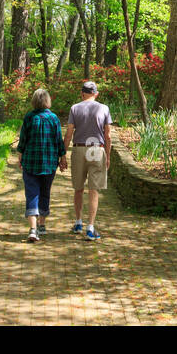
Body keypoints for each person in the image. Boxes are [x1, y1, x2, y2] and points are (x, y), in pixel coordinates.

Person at [17, 88, 66, 243]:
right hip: (49, 163)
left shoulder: (29, 118)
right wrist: (63, 158)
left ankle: (32, 229)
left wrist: (20, 156)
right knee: (45, 192)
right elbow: (59, 140)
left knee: (31, 194)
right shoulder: (53, 118)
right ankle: (42, 225)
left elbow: (23, 140)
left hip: (30, 162)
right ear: (47, 101)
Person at [65, 80, 112, 241]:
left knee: (78, 188)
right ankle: (90, 228)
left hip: (79, 148)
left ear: (82, 93)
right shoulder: (104, 108)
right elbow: (108, 135)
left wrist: (62, 154)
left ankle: (78, 222)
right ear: (96, 94)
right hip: (96, 149)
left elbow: (69, 133)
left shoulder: (74, 108)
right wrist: (108, 155)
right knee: (94, 190)